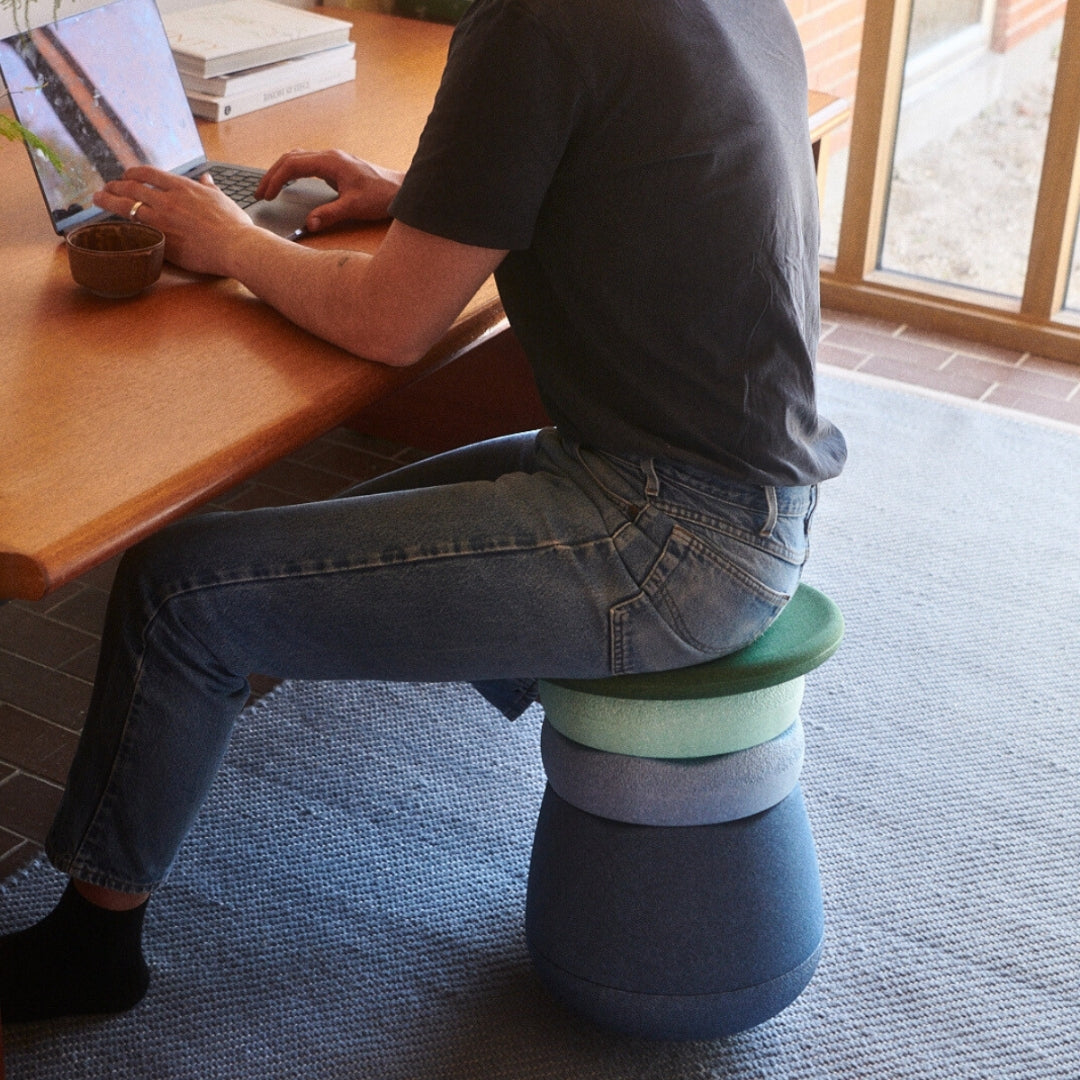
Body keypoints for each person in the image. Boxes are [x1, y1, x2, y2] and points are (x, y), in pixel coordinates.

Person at [0, 0, 846, 1024]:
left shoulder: (535, 21)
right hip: (732, 491)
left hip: (668, 539)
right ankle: (165, 772)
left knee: (181, 593)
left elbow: (391, 324)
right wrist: (423, 201)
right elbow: (636, 168)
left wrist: (227, 240)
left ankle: (91, 951)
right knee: (249, 580)